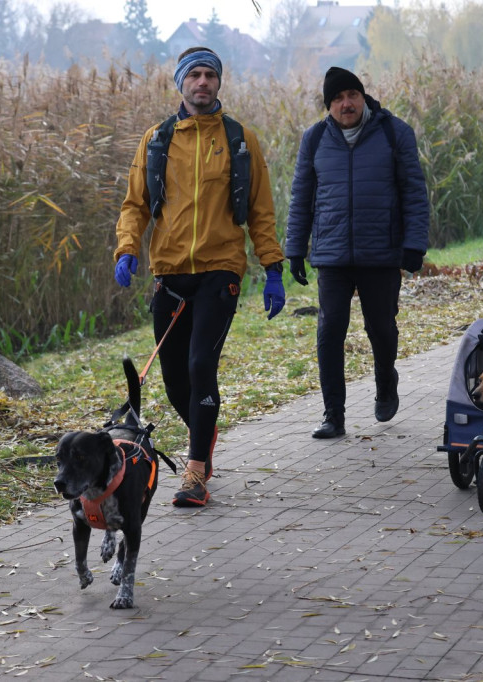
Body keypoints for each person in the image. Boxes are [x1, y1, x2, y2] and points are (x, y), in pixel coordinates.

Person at [114, 47, 285, 507]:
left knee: (199, 366)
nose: (203, 83)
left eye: (210, 75)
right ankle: (202, 439)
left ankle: (194, 473)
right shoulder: (157, 139)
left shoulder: (239, 139)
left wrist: (272, 267)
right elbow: (134, 204)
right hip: (170, 275)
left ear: (219, 83)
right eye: (195, 75)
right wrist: (127, 249)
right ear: (180, 84)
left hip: (220, 272)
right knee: (174, 381)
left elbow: (260, 211)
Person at [285, 66, 430, 439]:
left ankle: (386, 378)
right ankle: (333, 414)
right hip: (332, 255)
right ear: (328, 105)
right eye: (337, 98)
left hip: (380, 252)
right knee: (330, 331)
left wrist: (414, 244)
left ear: (363, 97)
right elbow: (301, 197)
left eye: (351, 95)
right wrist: (295, 250)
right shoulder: (314, 139)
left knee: (381, 328)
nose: (345, 103)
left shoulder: (393, 133)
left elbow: (414, 192)